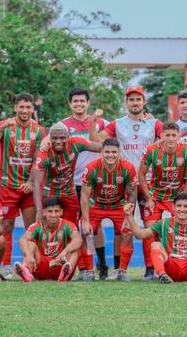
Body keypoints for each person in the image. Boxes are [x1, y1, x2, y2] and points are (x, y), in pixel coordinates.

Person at [91, 84, 162, 279]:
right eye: (131, 99)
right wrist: (93, 121)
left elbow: (168, 139)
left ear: (144, 102)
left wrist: (152, 149)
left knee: (149, 226)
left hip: (148, 181)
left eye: (138, 99)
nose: (135, 102)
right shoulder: (117, 123)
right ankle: (121, 270)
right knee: (125, 228)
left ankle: (150, 268)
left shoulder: (154, 123)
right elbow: (98, 141)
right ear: (126, 102)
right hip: (124, 184)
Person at [0, 92, 45, 279]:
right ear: (15, 108)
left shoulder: (39, 130)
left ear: (33, 109)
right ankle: (6, 266)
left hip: (28, 187)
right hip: (8, 185)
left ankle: (29, 264)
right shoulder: (6, 126)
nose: (25, 110)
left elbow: (38, 159)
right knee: (7, 225)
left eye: (28, 107)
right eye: (21, 107)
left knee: (31, 226)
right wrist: (0, 127)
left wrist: (30, 181)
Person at [32, 122, 101, 280]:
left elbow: (100, 147)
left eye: (62, 138)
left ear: (68, 137)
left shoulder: (76, 143)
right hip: (50, 194)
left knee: (75, 232)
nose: (58, 141)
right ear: (50, 138)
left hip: (69, 193)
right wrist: (38, 210)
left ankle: (84, 269)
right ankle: (43, 266)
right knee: (46, 231)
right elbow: (36, 183)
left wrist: (113, 147)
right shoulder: (44, 152)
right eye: (54, 138)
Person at [139, 122, 187, 280]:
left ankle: (176, 264)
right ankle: (150, 268)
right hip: (155, 196)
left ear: (178, 136)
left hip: (175, 196)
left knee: (179, 230)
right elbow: (141, 175)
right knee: (150, 231)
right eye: (167, 135)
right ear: (161, 136)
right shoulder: (151, 150)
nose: (170, 138)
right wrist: (148, 198)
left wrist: (183, 199)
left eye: (173, 135)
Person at [62, 87, 109, 279]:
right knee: (76, 226)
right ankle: (83, 268)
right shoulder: (63, 126)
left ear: (88, 103)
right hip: (73, 182)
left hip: (98, 181)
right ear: (70, 104)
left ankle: (103, 264)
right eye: (75, 101)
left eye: (82, 101)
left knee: (95, 226)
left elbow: (112, 144)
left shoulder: (103, 123)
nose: (79, 104)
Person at [80, 138, 137, 281]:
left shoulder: (128, 168)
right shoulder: (92, 168)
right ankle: (89, 271)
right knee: (85, 231)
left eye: (114, 152)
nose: (110, 155)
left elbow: (132, 194)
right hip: (97, 204)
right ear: (101, 152)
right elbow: (85, 196)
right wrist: (85, 221)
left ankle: (122, 270)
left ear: (119, 152)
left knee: (128, 231)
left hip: (118, 204)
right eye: (107, 152)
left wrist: (128, 218)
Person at [14, 197, 83, 282]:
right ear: (44, 212)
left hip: (60, 265)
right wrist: (29, 255)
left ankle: (65, 273)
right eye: (50, 211)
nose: (53, 215)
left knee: (74, 250)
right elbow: (22, 239)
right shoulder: (37, 226)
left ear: (61, 212)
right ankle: (26, 270)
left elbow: (78, 240)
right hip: (40, 267)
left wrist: (64, 252)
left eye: (56, 211)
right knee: (30, 245)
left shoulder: (68, 225)